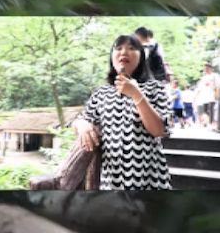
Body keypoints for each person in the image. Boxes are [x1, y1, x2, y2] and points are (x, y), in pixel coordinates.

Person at [71, 34, 172, 189]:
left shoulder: (155, 88)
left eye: (132, 48)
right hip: (111, 182)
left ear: (141, 57)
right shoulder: (101, 92)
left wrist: (136, 94)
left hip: (149, 180)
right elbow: (82, 119)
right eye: (118, 48)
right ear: (112, 57)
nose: (124, 52)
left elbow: (159, 130)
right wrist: (81, 124)